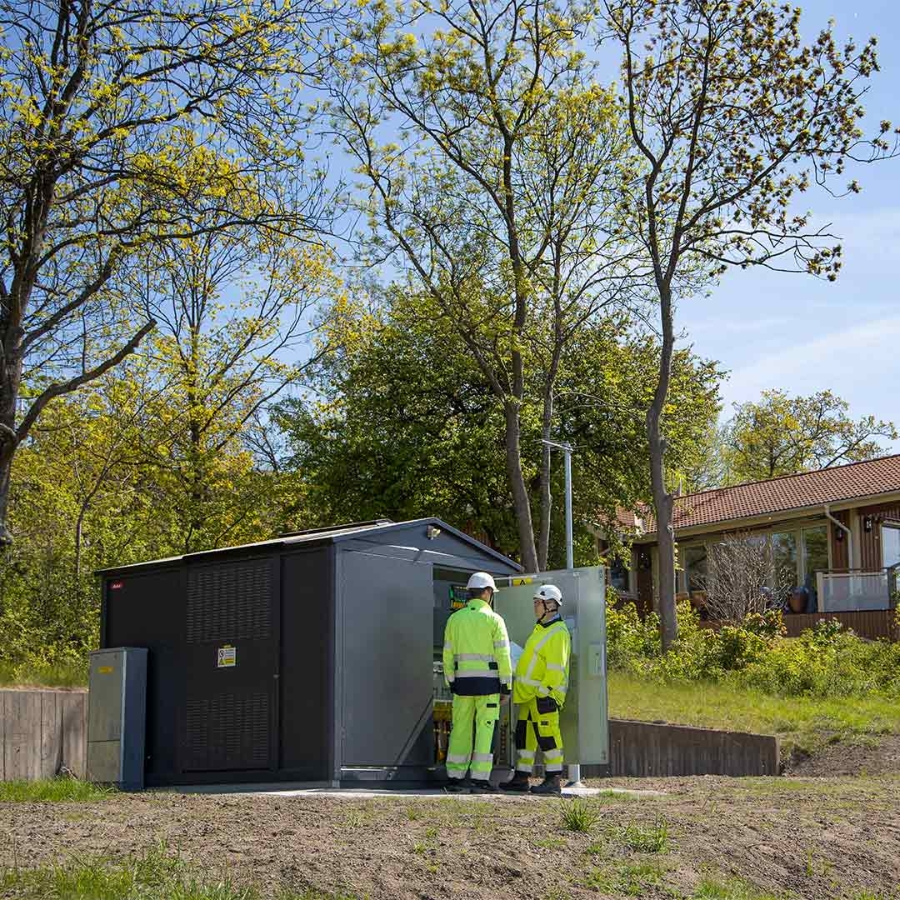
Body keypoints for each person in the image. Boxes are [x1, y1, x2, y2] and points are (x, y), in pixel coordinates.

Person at [442, 571, 512, 793]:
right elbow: (503, 656)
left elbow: (447, 655)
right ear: (487, 593)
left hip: (462, 685)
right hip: (488, 686)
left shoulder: (454, 619)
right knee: (485, 730)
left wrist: (451, 681)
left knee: (460, 729)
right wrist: (506, 685)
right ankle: (480, 779)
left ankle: (454, 776)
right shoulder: (494, 620)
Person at [501, 584, 571, 796]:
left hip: (544, 696)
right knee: (524, 736)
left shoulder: (558, 633)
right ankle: (521, 778)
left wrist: (545, 691)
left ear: (549, 605)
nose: (534, 607)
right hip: (530, 696)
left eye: (537, 603)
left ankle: (553, 780)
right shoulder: (541, 629)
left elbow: (556, 667)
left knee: (548, 737)